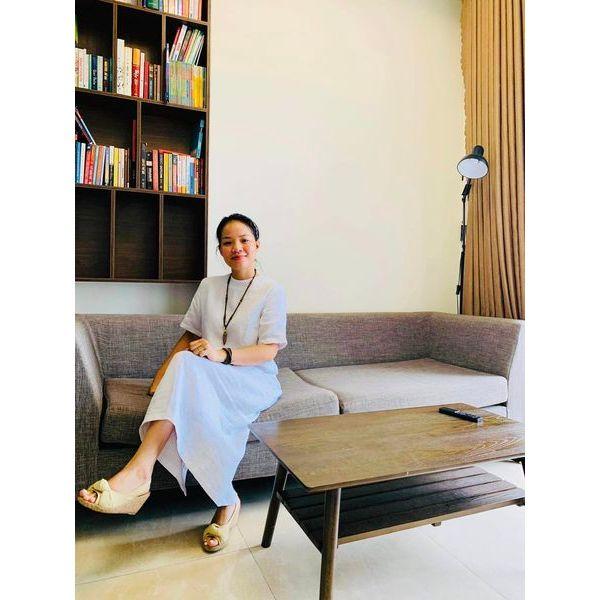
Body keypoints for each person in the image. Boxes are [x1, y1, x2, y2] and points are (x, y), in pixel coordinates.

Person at [77, 213, 287, 553]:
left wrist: (222, 354)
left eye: (244, 240)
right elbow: (189, 336)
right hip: (207, 372)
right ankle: (222, 500)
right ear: (219, 250)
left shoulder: (271, 290)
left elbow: (269, 350)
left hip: (252, 377)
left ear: (257, 245)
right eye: (228, 242)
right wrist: (162, 379)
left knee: (190, 364)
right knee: (186, 363)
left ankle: (140, 474)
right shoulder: (209, 286)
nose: (237, 247)